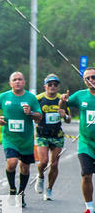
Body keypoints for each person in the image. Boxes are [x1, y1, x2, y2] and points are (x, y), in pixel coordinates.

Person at [0, 72, 41, 209]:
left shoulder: (31, 98)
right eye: (14, 80)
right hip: (10, 138)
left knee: (25, 167)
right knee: (11, 162)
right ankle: (12, 190)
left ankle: (21, 193)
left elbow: (39, 116)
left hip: (26, 140)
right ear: (10, 83)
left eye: (20, 79)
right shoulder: (4, 97)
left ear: (24, 82)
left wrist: (31, 113)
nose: (17, 81)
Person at [61, 66, 95, 213]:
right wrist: (62, 101)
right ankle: (90, 209)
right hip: (86, 143)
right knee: (86, 174)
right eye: (88, 78)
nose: (91, 80)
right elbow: (63, 107)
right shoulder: (80, 96)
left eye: (93, 77)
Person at [35, 73, 70, 201]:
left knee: (54, 164)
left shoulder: (62, 99)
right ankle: (40, 176)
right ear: (45, 86)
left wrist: (65, 115)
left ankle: (49, 189)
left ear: (58, 87)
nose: (52, 86)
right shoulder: (38, 99)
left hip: (57, 136)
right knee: (43, 161)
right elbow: (33, 114)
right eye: (50, 84)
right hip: (42, 134)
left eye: (55, 84)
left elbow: (68, 120)